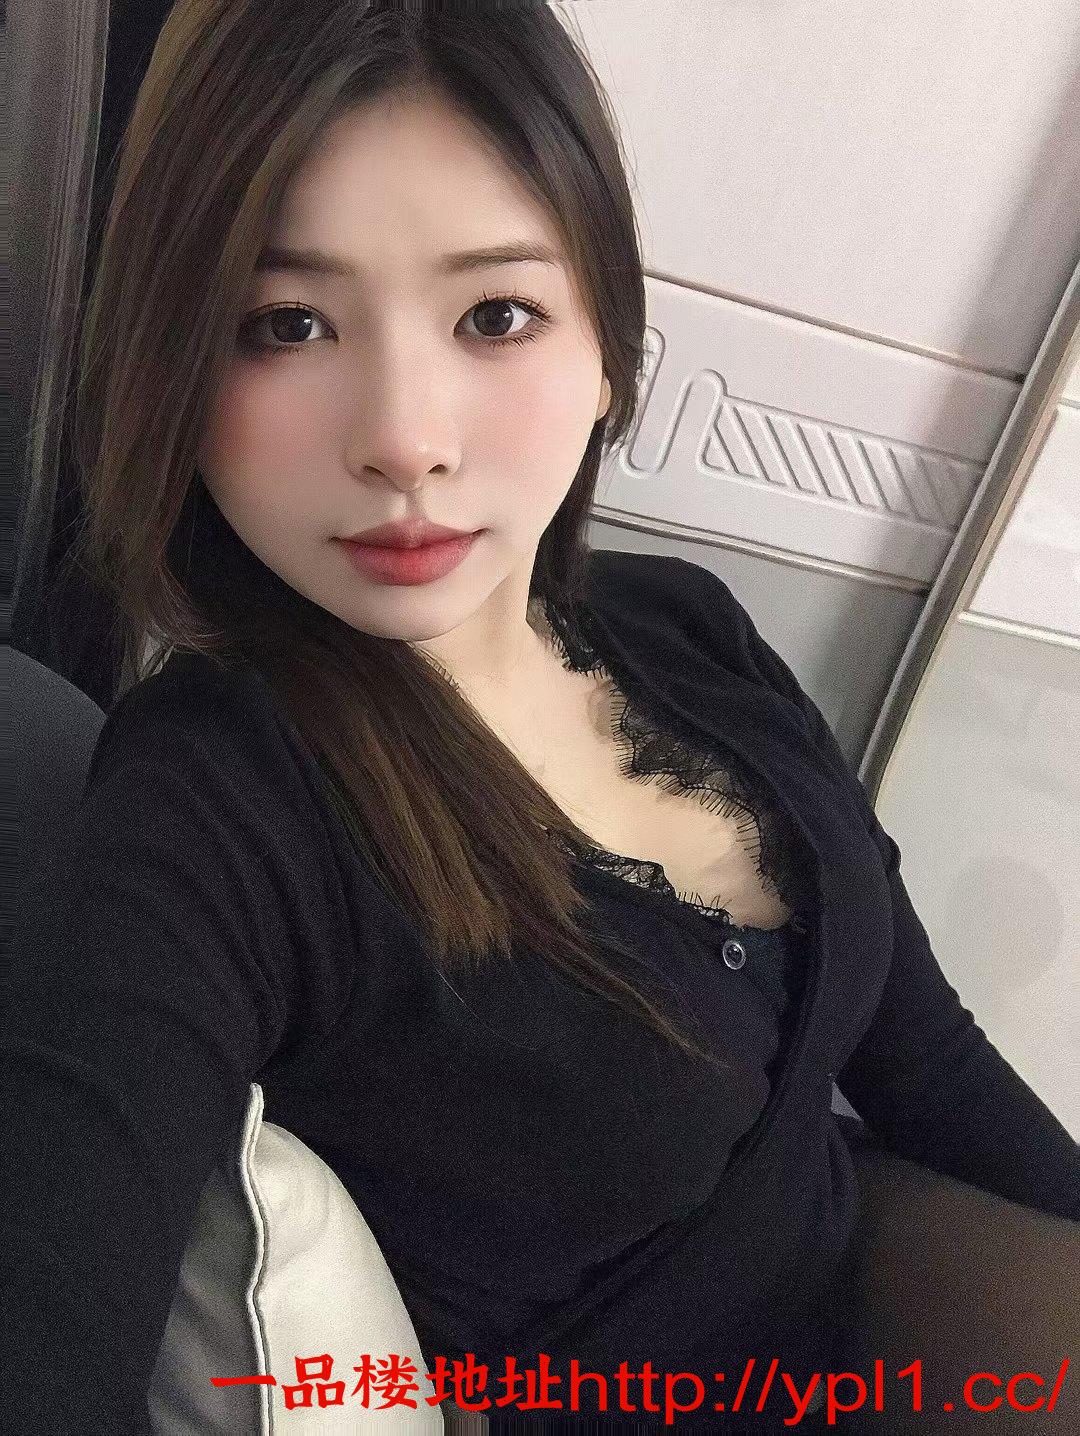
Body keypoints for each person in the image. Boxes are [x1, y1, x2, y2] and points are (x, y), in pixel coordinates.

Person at [4, 2, 1078, 1432]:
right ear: (176, 367)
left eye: (495, 315)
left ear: (607, 346)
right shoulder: (219, 797)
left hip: (897, 1303)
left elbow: (922, 1056)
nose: (405, 437)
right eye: (287, 324)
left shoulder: (678, 625)